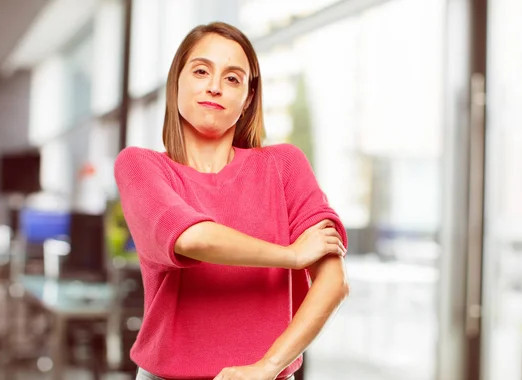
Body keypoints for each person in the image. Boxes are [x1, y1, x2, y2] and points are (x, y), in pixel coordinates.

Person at [114, 21, 349, 380]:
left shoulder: (284, 165)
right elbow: (192, 238)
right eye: (201, 71)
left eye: (232, 78)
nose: (214, 86)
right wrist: (291, 255)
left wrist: (267, 368)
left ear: (248, 98)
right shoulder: (141, 167)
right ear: (177, 81)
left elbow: (334, 281)